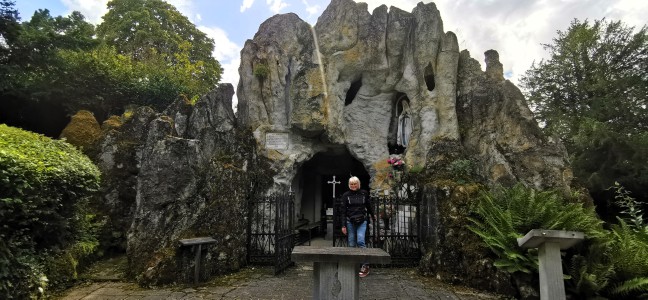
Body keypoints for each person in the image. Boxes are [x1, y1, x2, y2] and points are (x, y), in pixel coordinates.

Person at [341, 176, 376, 277]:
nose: (353, 186)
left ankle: (365, 265)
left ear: (358, 184)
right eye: (351, 184)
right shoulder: (346, 195)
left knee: (360, 240)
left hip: (362, 221)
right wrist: (343, 225)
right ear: (349, 185)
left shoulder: (364, 193)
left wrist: (373, 215)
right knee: (351, 243)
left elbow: (368, 205)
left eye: (355, 184)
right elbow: (343, 211)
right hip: (350, 222)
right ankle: (352, 265)